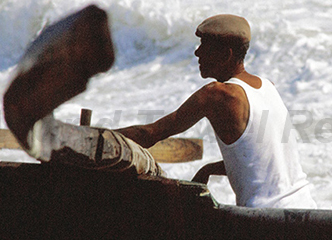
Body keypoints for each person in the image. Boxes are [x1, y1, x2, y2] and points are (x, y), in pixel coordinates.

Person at [116, 14, 317, 209]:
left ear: (226, 54)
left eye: (204, 45)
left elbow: (151, 133)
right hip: (305, 207)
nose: (197, 53)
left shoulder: (218, 95)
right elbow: (261, 158)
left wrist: (101, 137)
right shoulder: (268, 87)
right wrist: (209, 169)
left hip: (265, 220)